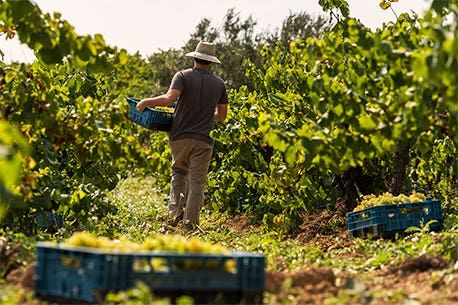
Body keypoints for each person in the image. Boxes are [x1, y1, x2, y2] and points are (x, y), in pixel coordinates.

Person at [136, 41, 228, 230]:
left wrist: (146, 102)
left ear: (194, 58)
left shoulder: (183, 76)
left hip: (180, 136)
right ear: (211, 62)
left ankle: (174, 216)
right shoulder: (219, 84)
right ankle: (190, 224)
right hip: (204, 140)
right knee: (197, 181)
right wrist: (206, 113)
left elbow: (169, 99)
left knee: (179, 173)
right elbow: (222, 116)